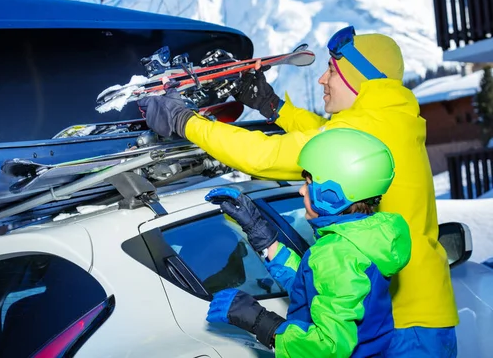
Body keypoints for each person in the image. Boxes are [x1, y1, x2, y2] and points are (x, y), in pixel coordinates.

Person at [137, 25, 458, 356]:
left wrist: (185, 121)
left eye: (331, 71)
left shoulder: (367, 129)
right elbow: (325, 135)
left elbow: (266, 156)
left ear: (355, 79)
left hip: (402, 323)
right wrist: (273, 106)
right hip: (417, 311)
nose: (322, 80)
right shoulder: (392, 119)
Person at [204, 128, 411, 357]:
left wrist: (261, 322)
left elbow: (330, 346)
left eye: (309, 182)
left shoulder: (338, 253)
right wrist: (259, 232)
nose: (302, 189)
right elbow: (313, 283)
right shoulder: (361, 241)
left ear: (331, 196)